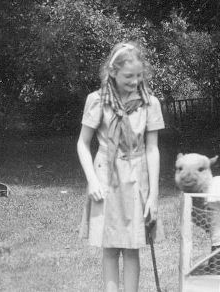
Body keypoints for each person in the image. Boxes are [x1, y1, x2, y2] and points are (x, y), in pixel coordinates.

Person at [77, 42, 164, 292]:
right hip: (106, 176)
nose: (135, 81)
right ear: (113, 72)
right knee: (111, 246)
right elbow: (82, 144)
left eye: (139, 76)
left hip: (138, 177)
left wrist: (154, 195)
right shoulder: (96, 101)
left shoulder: (150, 103)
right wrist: (92, 180)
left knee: (133, 246)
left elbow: (152, 149)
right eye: (128, 76)